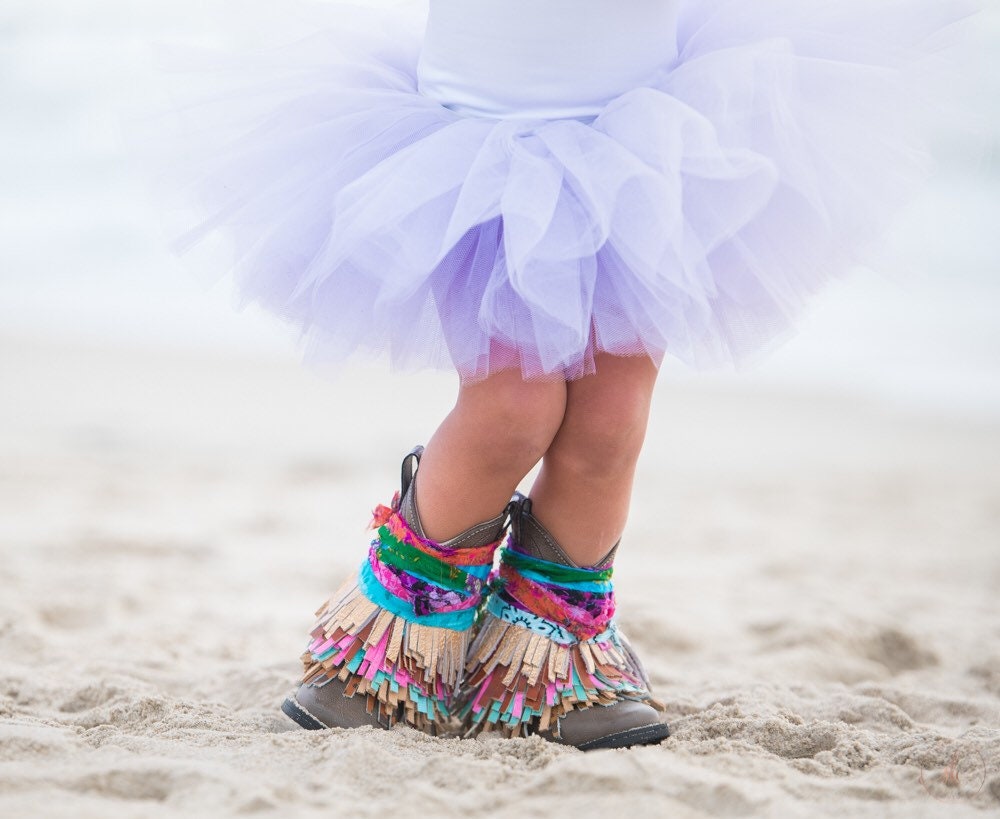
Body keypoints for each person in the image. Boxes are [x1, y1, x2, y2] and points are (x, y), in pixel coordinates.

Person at [159, 0, 980, 749]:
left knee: (608, 422)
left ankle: (551, 654)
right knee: (511, 409)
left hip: (649, 137)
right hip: (482, 139)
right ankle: (397, 631)